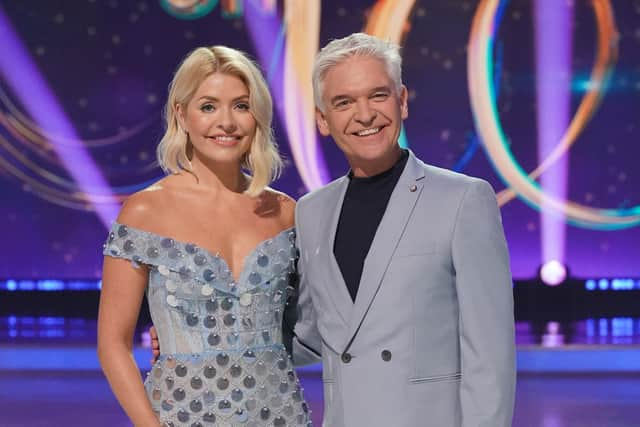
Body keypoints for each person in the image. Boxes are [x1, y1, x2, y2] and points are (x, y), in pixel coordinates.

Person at [290, 33, 516, 426]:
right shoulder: (311, 212)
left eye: (378, 95)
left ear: (402, 101)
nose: (364, 114)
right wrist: (195, 333)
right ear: (323, 120)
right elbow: (312, 336)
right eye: (344, 102)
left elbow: (490, 354)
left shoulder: (463, 200)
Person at [98, 46, 313, 427]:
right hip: (179, 415)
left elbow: (305, 325)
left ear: (257, 116)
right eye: (209, 106)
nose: (226, 122)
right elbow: (112, 343)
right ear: (182, 114)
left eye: (241, 106)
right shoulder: (145, 212)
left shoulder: (284, 213)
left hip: (279, 414)